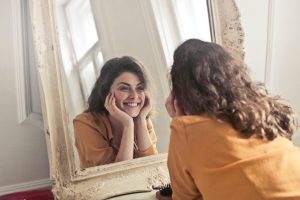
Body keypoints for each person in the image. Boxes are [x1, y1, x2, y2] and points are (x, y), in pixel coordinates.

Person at [165, 39, 300, 200]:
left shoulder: (186, 130)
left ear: (180, 96)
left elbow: (184, 198)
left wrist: (180, 122)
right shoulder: (261, 110)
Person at [73, 56, 157, 169]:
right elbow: (117, 176)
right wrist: (128, 125)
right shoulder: (84, 123)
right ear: (106, 92)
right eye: (124, 88)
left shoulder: (142, 119)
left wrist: (141, 121)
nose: (134, 96)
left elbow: (153, 168)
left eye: (140, 88)